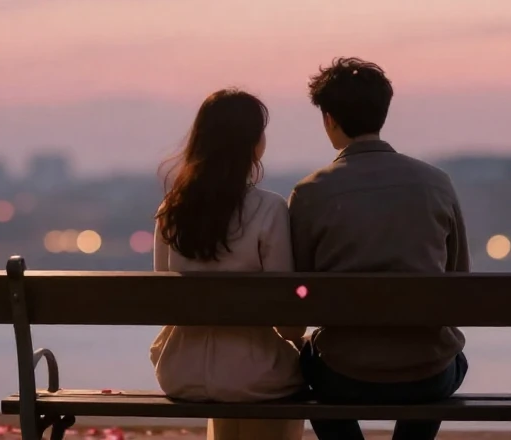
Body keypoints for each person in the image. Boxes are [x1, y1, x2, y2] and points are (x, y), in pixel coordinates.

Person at [288, 58, 471, 440]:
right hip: (428, 373)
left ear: (329, 119)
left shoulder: (309, 194)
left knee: (306, 366)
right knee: (448, 358)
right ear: (383, 112)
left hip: (342, 373)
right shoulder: (437, 183)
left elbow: (298, 294)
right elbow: (459, 284)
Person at [149, 88, 306, 440]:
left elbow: (165, 300)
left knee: (239, 378)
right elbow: (290, 322)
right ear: (253, 143)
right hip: (254, 376)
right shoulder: (269, 209)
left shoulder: (170, 212)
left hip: (180, 373)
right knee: (282, 368)